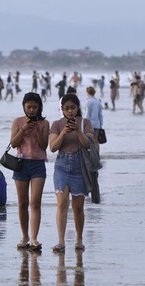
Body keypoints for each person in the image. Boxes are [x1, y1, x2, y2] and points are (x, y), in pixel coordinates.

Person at [49, 94, 94, 252]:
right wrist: (64, 133)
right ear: (62, 109)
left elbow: (88, 144)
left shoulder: (85, 123)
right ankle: (61, 241)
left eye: (72, 108)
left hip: (79, 166)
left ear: (78, 108)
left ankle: (79, 239)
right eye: (66, 108)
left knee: (78, 206)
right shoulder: (56, 124)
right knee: (62, 204)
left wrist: (78, 131)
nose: (70, 111)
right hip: (61, 165)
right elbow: (53, 147)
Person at [9, 93, 50, 251]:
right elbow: (13, 143)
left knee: (35, 202)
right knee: (22, 202)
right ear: (24, 107)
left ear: (39, 107)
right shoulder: (18, 122)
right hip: (21, 164)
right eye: (29, 107)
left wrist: (37, 130)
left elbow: (44, 145)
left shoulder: (44, 123)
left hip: (38, 164)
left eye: (35, 107)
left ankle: (34, 238)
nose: (32, 110)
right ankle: (25, 235)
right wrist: (24, 129)